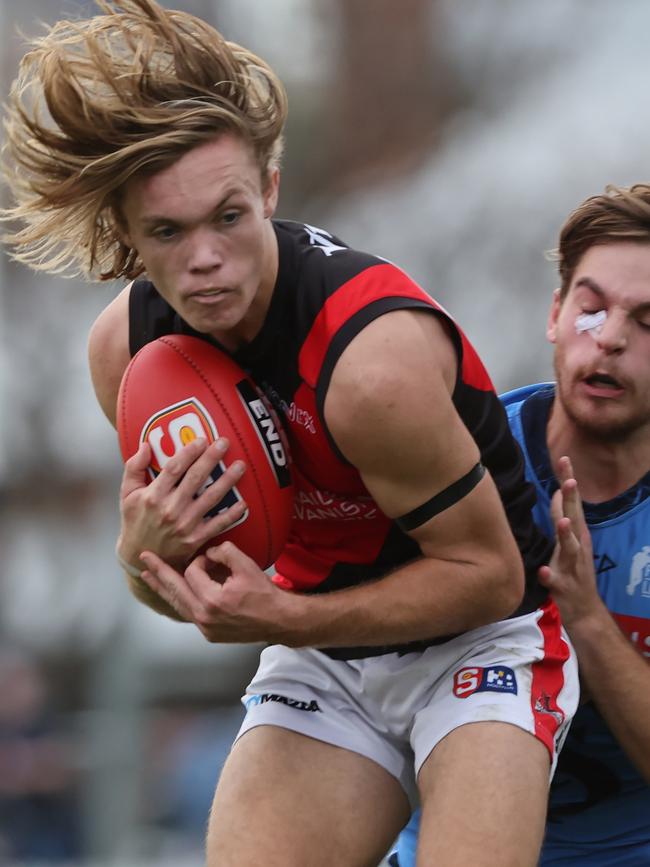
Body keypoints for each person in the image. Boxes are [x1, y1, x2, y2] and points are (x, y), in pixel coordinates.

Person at [0, 2, 578, 864]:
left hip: (485, 637)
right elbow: (201, 596)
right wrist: (142, 560)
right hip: (326, 652)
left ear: (269, 188)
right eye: (168, 230)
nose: (205, 258)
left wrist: (288, 612)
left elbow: (491, 577)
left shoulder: (369, 363)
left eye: (229, 216)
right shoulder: (127, 354)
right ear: (126, 233)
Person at [392, 184, 650, 866]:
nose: (613, 337)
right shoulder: (460, 458)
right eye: (592, 308)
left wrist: (586, 617)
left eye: (649, 320)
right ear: (557, 314)